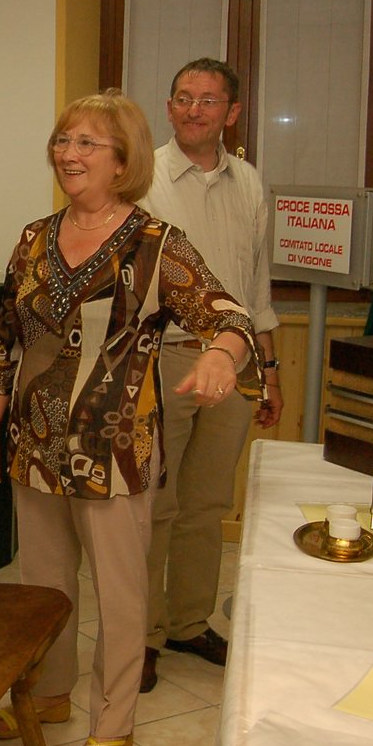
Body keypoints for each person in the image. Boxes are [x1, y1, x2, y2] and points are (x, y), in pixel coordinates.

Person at [0, 90, 258, 746]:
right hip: (35, 448)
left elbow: (230, 315)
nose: (69, 153)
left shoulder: (157, 245)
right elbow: (5, 336)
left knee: (122, 596)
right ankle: (51, 693)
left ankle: (112, 721)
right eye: (63, 140)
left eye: (88, 143)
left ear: (123, 159)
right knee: (43, 587)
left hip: (115, 454)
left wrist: (221, 356)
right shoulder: (34, 238)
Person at [139, 58, 281, 692]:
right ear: (168, 109)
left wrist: (270, 371)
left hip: (239, 360)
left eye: (208, 100)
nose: (194, 110)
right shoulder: (143, 181)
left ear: (232, 113)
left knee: (207, 504)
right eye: (182, 99)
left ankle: (189, 621)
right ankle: (139, 636)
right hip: (166, 359)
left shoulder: (250, 184)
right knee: (153, 505)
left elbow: (257, 287)